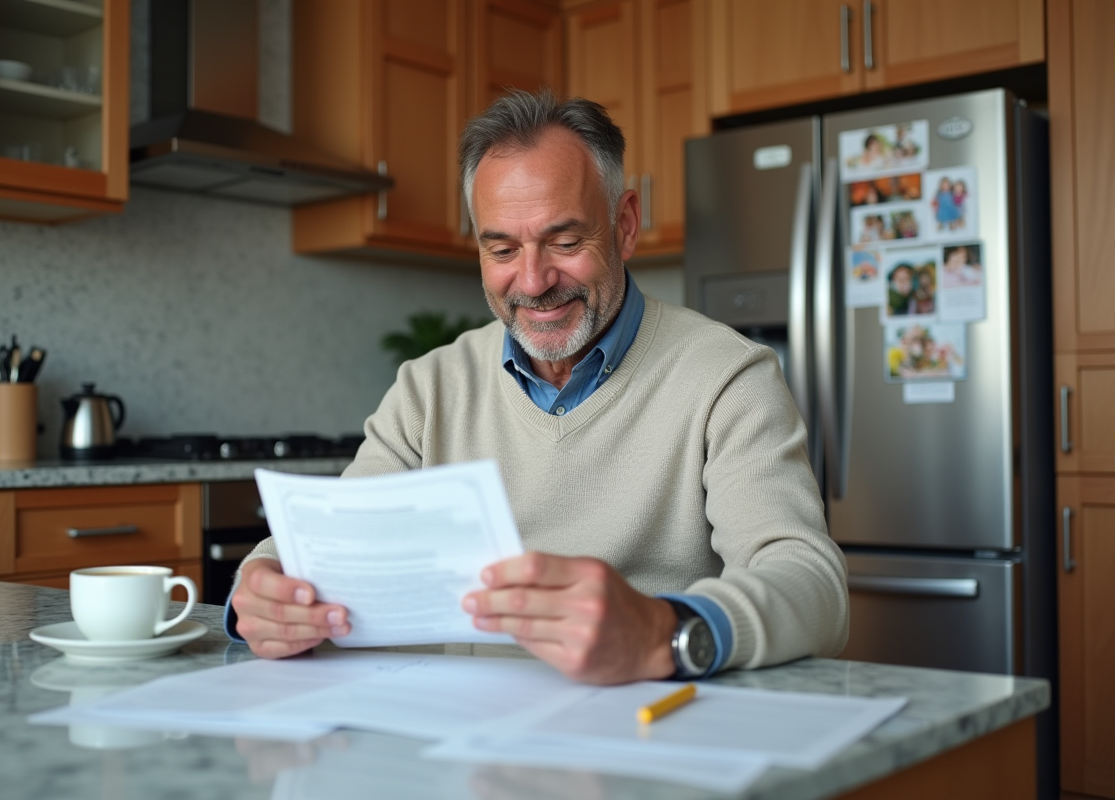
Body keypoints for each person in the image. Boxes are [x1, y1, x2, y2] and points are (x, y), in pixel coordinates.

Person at [228, 89, 848, 685]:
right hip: (473, 752)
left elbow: (811, 583)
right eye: (501, 249)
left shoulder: (726, 377)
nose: (532, 280)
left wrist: (666, 631)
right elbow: (337, 546)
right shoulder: (431, 388)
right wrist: (264, 584)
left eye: (566, 241)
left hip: (650, 737)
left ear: (625, 225)